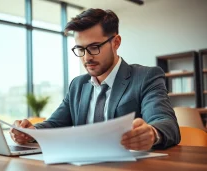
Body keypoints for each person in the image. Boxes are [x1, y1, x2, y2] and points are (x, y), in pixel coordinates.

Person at [10, 8, 180, 150]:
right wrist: (30, 132)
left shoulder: (145, 77)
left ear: (116, 42)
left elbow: (166, 123)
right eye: (80, 49)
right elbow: (55, 124)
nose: (86, 58)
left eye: (94, 47)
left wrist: (151, 133)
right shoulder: (78, 85)